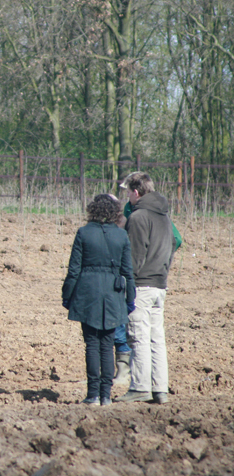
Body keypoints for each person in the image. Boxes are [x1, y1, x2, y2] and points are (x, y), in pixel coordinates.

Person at [62, 194, 136, 406]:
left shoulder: (83, 233)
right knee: (107, 345)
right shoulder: (121, 235)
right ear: (115, 211)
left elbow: (73, 270)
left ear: (92, 210)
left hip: (87, 294)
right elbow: (128, 272)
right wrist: (130, 299)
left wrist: (67, 296)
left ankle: (93, 394)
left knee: (92, 345)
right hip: (113, 295)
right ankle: (105, 395)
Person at [111, 172, 183, 387]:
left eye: (128, 193)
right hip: (159, 282)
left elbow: (135, 255)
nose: (127, 198)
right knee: (156, 339)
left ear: (135, 191)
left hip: (141, 282)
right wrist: (162, 267)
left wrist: (127, 282)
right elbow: (175, 240)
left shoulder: (138, 215)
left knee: (138, 336)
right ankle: (159, 388)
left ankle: (139, 387)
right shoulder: (163, 214)